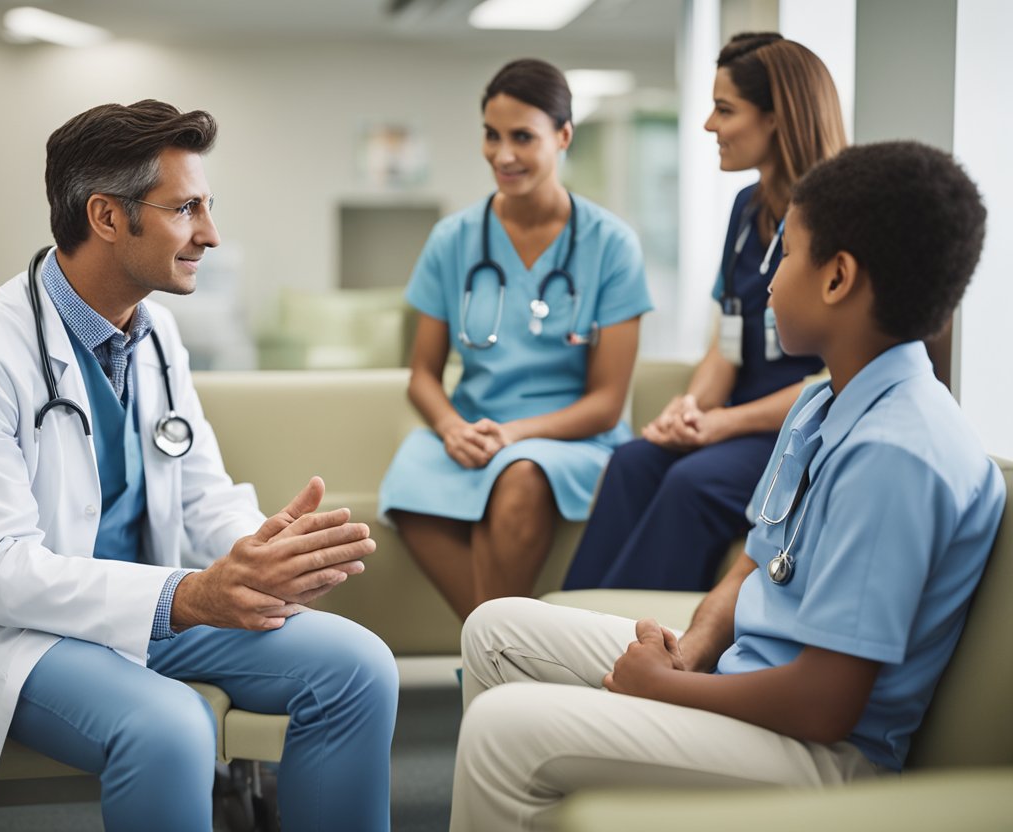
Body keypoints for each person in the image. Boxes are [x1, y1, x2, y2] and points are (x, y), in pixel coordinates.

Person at [0, 100, 398, 831]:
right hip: (10, 631)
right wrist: (192, 596)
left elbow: (199, 491)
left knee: (359, 669)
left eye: (209, 206)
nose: (211, 233)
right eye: (186, 209)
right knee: (169, 728)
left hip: (151, 604)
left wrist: (262, 551)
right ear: (108, 217)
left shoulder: (156, 331)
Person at [448, 140, 1003, 832]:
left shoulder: (898, 456)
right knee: (495, 630)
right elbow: (752, 563)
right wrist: (695, 647)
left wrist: (668, 690)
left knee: (504, 729)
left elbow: (826, 705)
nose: (767, 282)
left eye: (789, 255)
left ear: (838, 279)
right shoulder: (821, 401)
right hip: (745, 678)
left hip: (822, 753)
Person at [563, 33, 844, 593]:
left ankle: (621, 645)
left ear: (776, 118)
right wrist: (688, 410)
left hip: (804, 434)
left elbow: (837, 377)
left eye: (724, 109)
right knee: (634, 461)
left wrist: (721, 424)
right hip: (736, 426)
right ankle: (562, 624)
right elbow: (727, 342)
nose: (708, 126)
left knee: (692, 481)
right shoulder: (746, 209)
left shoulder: (839, 215)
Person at [378, 58, 652, 620]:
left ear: (563, 136)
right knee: (406, 486)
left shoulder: (611, 245)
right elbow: (423, 374)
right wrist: (452, 428)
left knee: (522, 473)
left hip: (571, 440)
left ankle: (488, 661)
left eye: (522, 137)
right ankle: (504, 653)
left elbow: (606, 403)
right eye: (492, 135)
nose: (503, 155)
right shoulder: (452, 239)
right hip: (473, 428)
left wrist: (514, 434)